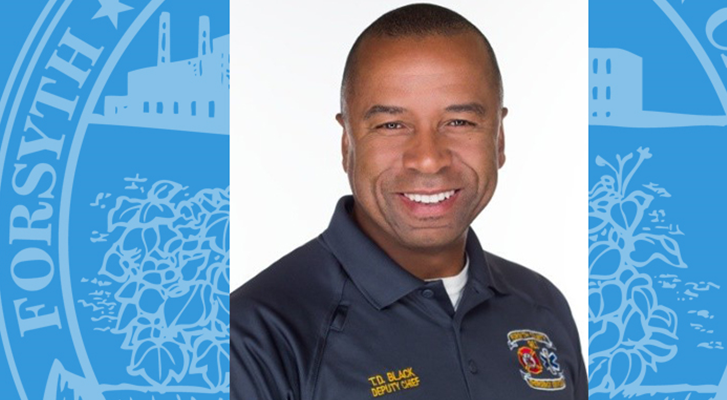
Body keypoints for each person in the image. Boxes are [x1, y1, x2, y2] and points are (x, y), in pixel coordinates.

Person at [230, 3, 587, 399]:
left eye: (459, 122)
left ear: (499, 138)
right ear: (347, 143)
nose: (428, 158)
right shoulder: (255, 338)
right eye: (392, 125)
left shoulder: (542, 307)